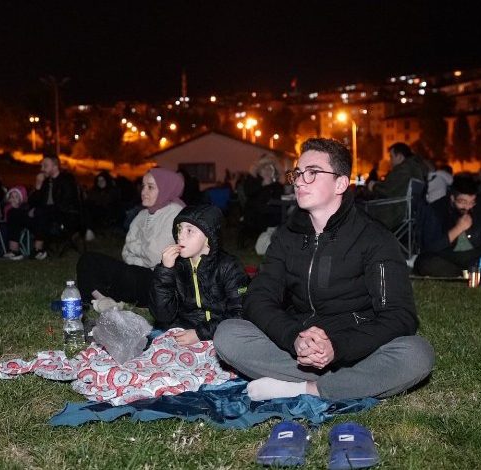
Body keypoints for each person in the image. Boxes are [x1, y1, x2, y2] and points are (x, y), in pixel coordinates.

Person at [214, 138, 434, 401]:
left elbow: (399, 315)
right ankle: (349, 384)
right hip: (298, 347)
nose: (299, 182)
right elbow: (259, 297)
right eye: (298, 173)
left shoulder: (373, 238)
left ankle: (306, 389)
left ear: (340, 184)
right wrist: (294, 337)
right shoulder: (287, 236)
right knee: (228, 334)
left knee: (417, 354)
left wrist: (337, 347)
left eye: (312, 173)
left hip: (355, 349)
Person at [76, 167, 185, 307]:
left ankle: (102, 295)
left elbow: (156, 256)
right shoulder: (142, 215)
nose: (144, 192)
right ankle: (103, 300)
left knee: (120, 274)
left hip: (158, 282)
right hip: (136, 273)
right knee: (88, 260)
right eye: (143, 186)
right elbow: (126, 252)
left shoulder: (175, 212)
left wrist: (138, 252)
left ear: (165, 188)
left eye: (150, 187)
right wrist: (142, 256)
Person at [149, 204, 249, 343]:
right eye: (179, 229)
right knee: (153, 340)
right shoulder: (176, 266)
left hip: (219, 332)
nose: (180, 236)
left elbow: (239, 313)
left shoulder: (229, 267)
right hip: (182, 330)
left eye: (189, 230)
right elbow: (162, 315)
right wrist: (165, 272)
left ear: (208, 237)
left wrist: (200, 334)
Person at [415, 174, 481, 278]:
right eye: (463, 202)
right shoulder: (436, 209)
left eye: (472, 202)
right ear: (452, 198)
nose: (468, 207)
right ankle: (474, 273)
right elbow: (432, 246)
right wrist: (458, 229)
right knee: (426, 263)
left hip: (476, 254)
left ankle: (468, 273)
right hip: (448, 256)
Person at [366, 142, 429, 229]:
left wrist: (373, 186)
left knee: (359, 210)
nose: (390, 161)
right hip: (404, 210)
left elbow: (388, 190)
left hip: (394, 212)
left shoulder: (404, 169)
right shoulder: (413, 167)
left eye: (391, 157)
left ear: (399, 156)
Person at [27, 154, 80, 260]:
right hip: (44, 214)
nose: (42, 169)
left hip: (64, 216)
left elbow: (66, 204)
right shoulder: (45, 182)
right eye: (41, 166)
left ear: (55, 166)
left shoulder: (67, 180)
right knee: (16, 213)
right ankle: (14, 250)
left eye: (45, 166)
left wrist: (42, 209)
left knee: (41, 211)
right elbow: (31, 202)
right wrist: (38, 186)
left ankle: (38, 249)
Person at [1, 186, 31, 260]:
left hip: (22, 224)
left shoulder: (24, 208)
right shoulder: (7, 208)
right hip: (10, 226)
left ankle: (15, 250)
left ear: (21, 199)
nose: (14, 199)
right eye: (12, 197)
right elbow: (6, 218)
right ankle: (10, 250)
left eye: (16, 197)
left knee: (13, 214)